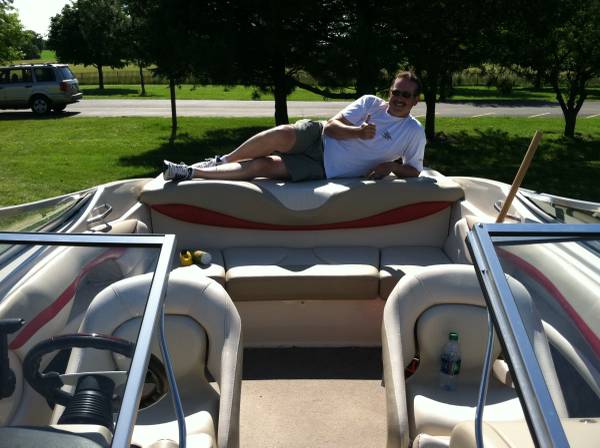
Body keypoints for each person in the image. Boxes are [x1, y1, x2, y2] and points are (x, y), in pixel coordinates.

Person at [163, 70, 426, 182]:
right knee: (280, 134)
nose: (399, 98)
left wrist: (392, 167)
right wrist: (357, 132)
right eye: (396, 92)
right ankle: (220, 161)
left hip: (326, 169)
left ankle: (191, 173)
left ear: (415, 100)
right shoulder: (370, 103)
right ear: (389, 91)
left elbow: (414, 169)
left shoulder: (413, 132)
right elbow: (331, 127)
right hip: (318, 137)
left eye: (406, 95)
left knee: (264, 166)